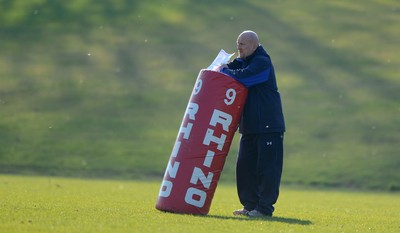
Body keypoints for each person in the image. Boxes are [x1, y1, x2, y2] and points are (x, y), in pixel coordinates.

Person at [218, 30, 285, 217]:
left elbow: (244, 77)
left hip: (269, 126)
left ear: (255, 46)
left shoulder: (262, 62)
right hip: (250, 127)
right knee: (245, 168)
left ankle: (264, 209)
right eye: (238, 43)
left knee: (267, 169)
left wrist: (224, 70)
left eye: (243, 44)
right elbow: (232, 70)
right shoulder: (244, 61)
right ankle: (249, 206)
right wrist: (222, 67)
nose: (238, 47)